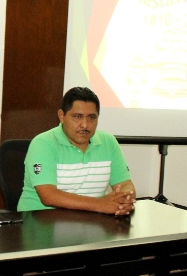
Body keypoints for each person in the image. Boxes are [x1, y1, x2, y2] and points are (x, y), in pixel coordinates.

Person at [17, 87, 136, 215]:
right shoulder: (43, 143)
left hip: (92, 222)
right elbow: (48, 196)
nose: (85, 125)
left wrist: (124, 201)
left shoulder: (108, 142)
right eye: (77, 117)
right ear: (62, 116)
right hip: (42, 222)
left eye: (91, 117)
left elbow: (125, 184)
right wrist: (100, 204)